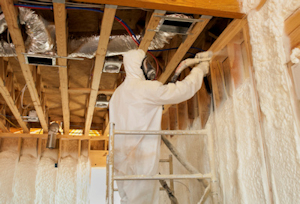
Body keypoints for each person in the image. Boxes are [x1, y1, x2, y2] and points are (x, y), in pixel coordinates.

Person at [109, 49, 211, 204]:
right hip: (139, 159)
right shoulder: (145, 88)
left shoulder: (117, 94)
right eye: (147, 63)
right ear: (140, 66)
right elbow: (181, 90)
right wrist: (199, 71)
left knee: (127, 200)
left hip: (119, 160)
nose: (150, 67)